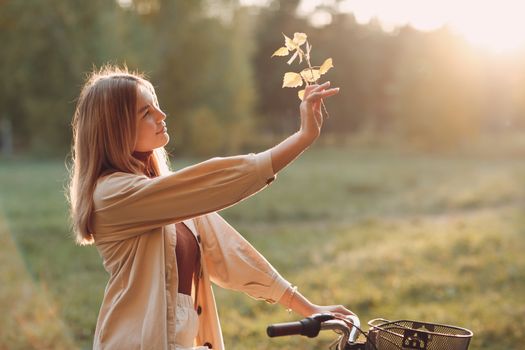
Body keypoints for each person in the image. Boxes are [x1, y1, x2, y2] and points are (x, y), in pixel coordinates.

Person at [68, 65, 353, 350]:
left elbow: (232, 253)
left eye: (156, 105)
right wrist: (302, 138)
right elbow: (216, 182)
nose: (161, 115)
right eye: (146, 112)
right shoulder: (113, 194)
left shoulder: (168, 198)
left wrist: (309, 308)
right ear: (117, 128)